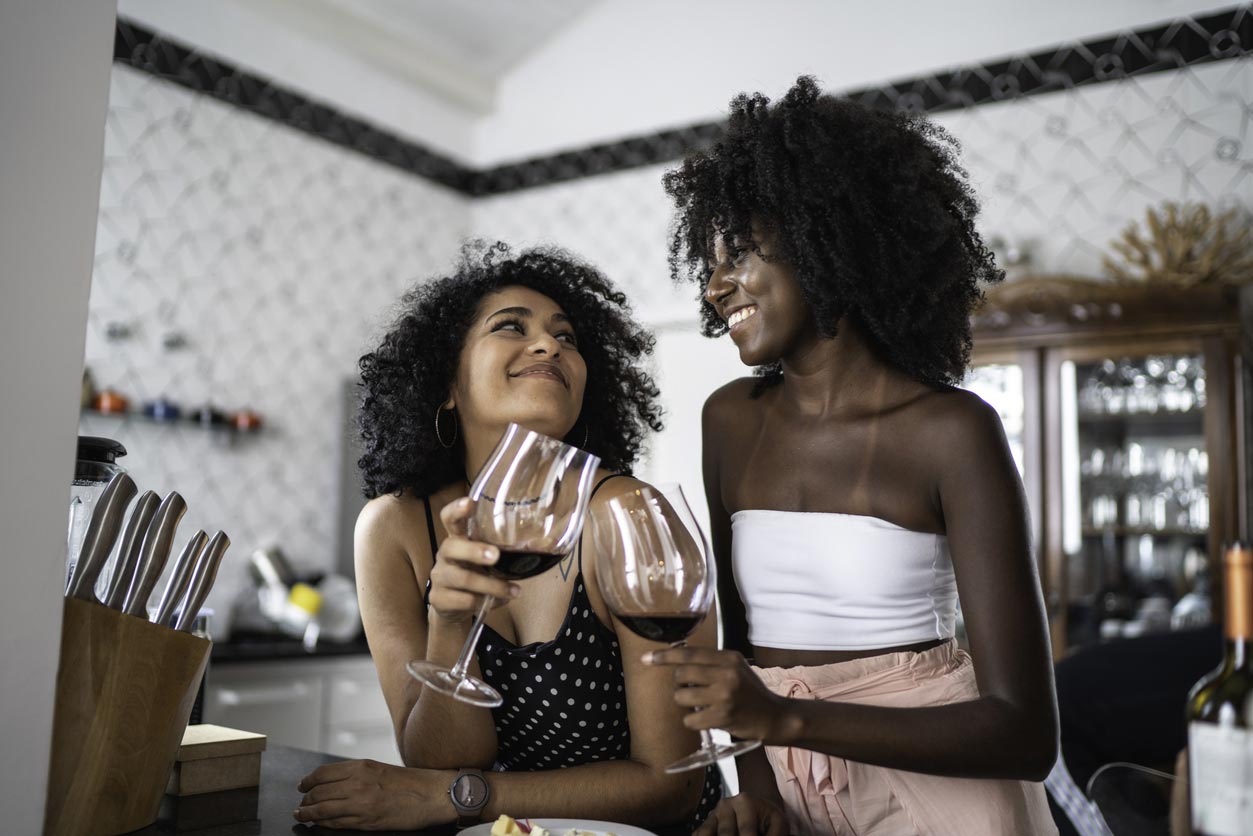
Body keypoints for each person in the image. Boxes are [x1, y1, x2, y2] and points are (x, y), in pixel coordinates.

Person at [648, 76, 1060, 835]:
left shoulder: (949, 430)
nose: (713, 286)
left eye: (736, 251)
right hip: (793, 787)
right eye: (708, 263)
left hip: (940, 798)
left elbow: (1024, 734)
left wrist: (786, 719)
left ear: (824, 235)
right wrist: (759, 792)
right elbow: (738, 648)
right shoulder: (729, 421)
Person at [294, 243, 723, 831]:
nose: (550, 345)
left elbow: (669, 785)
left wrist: (456, 797)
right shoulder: (394, 528)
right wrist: (450, 627)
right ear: (447, 382)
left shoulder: (624, 514)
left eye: (567, 337)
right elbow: (438, 760)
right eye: (511, 327)